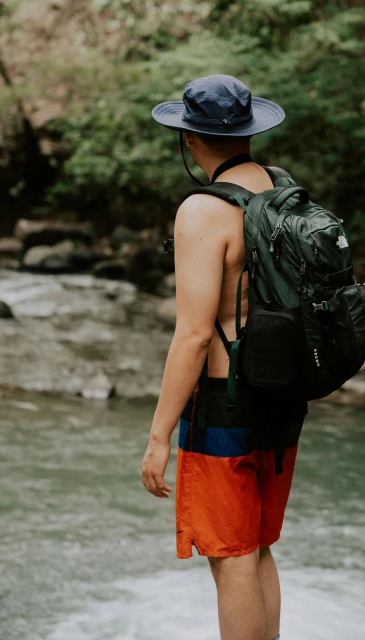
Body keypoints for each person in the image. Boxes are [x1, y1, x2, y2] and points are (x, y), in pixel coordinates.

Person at [141, 74, 307, 640]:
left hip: (224, 405)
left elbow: (192, 337)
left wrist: (159, 435)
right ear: (249, 131)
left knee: (230, 554)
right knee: (257, 546)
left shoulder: (202, 211)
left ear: (190, 139)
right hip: (283, 398)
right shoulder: (282, 190)